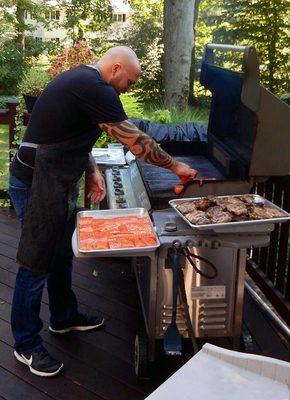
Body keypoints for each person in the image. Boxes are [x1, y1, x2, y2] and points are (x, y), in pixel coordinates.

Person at [9, 46, 198, 377]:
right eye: (131, 80)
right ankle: (25, 344)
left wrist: (92, 170)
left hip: (56, 180)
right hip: (36, 180)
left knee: (60, 255)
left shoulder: (84, 81)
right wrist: (177, 167)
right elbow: (137, 143)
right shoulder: (94, 87)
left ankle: (64, 317)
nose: (130, 87)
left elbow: (69, 134)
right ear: (115, 69)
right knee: (36, 261)